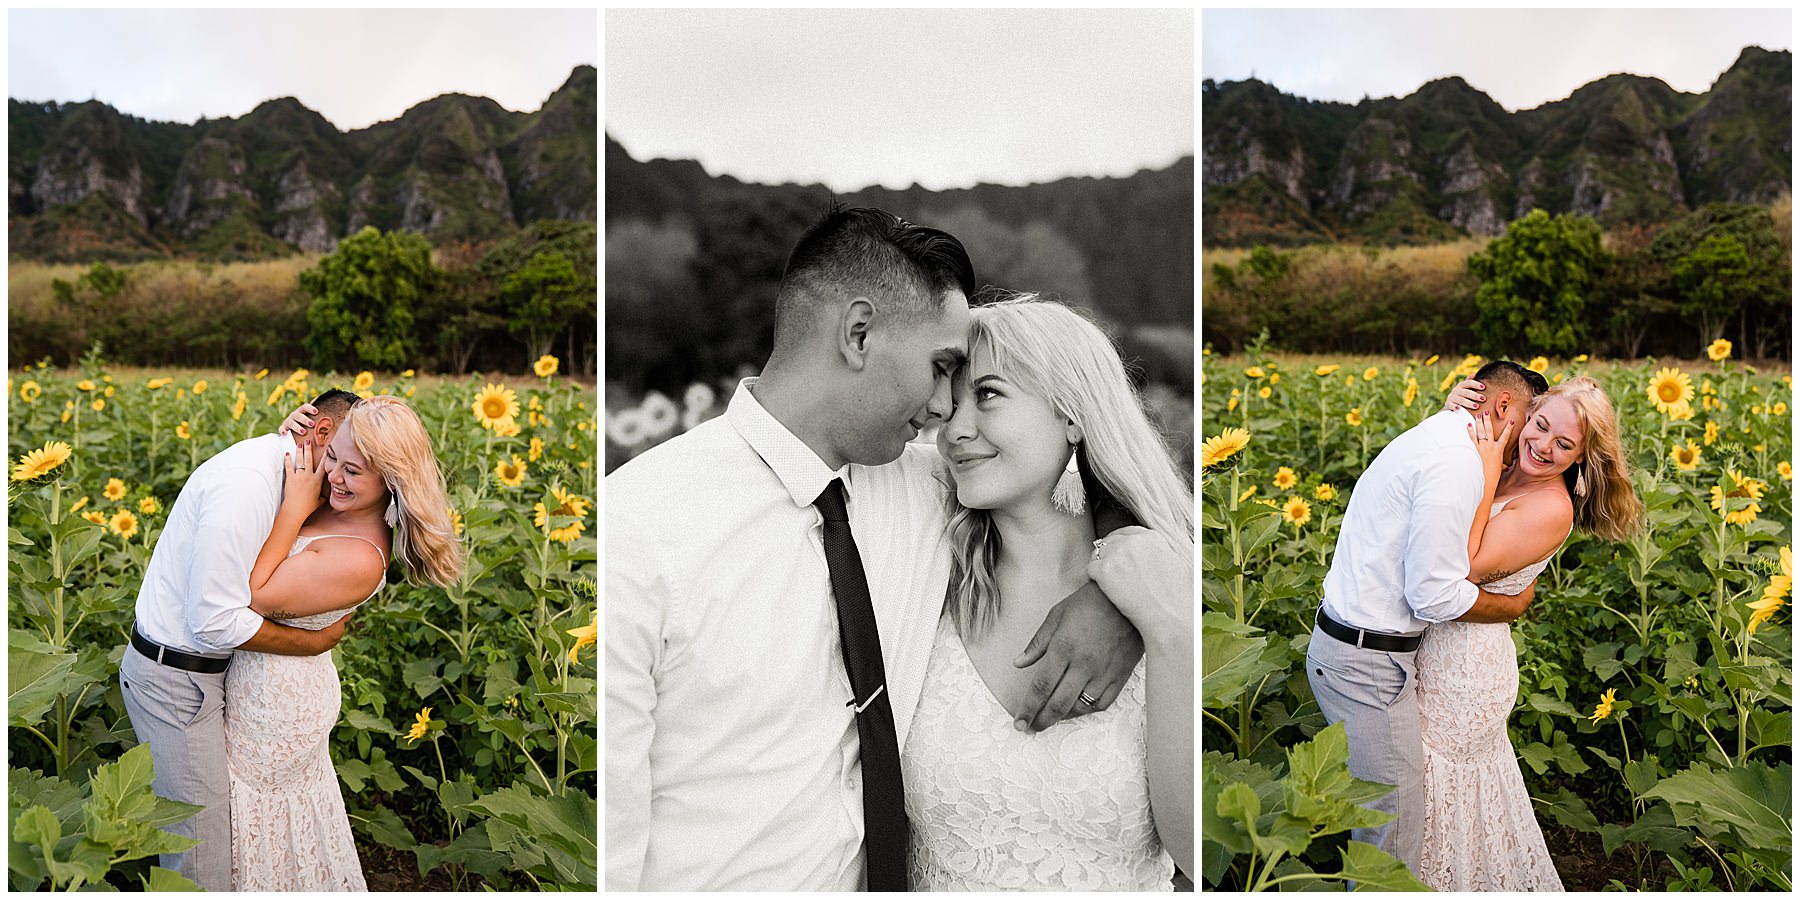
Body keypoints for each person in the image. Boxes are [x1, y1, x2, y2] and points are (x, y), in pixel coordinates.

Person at [606, 206, 1145, 891]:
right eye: (942, 367)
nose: (948, 409)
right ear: (859, 333)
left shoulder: (923, 488)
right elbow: (611, 831)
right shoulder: (642, 525)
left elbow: (1073, 474)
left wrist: (1119, 588)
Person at [906, 296, 1193, 889]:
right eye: (950, 404)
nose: (955, 431)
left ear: (1072, 415)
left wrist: (1170, 637)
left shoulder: (1163, 587)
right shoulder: (919, 565)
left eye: (987, 395)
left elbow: (1199, 853)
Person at [1305, 359, 1547, 872]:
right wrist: (1511, 607)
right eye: (1530, 420)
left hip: (1360, 651)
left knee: (1389, 826)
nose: (1530, 441)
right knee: (1390, 843)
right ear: (1503, 406)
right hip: (1366, 665)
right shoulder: (1457, 461)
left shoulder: (1440, 434)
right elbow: (1433, 596)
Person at [119, 389, 360, 890]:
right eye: (341, 457)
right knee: (200, 859)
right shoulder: (248, 484)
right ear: (319, 434)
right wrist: (310, 644)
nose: (342, 474)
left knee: (228, 841)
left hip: (212, 675)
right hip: (177, 680)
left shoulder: (292, 472)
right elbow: (212, 619)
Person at [224, 394, 464, 890]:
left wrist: (294, 505)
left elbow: (252, 595)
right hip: (259, 678)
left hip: (275, 708)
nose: (333, 475)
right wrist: (286, 442)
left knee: (261, 826)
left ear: (391, 481)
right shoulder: (335, 503)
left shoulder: (360, 556)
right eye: (332, 456)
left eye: (353, 471)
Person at [1415, 374, 1641, 890]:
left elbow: (1461, 567)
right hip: (1434, 647)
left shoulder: (1550, 508)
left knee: (1442, 801)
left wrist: (1490, 469)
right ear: (1528, 413)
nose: (1542, 446)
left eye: (1564, 445)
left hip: (1464, 674)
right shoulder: (1509, 457)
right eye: (1539, 427)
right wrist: (1452, 416)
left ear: (1582, 457)